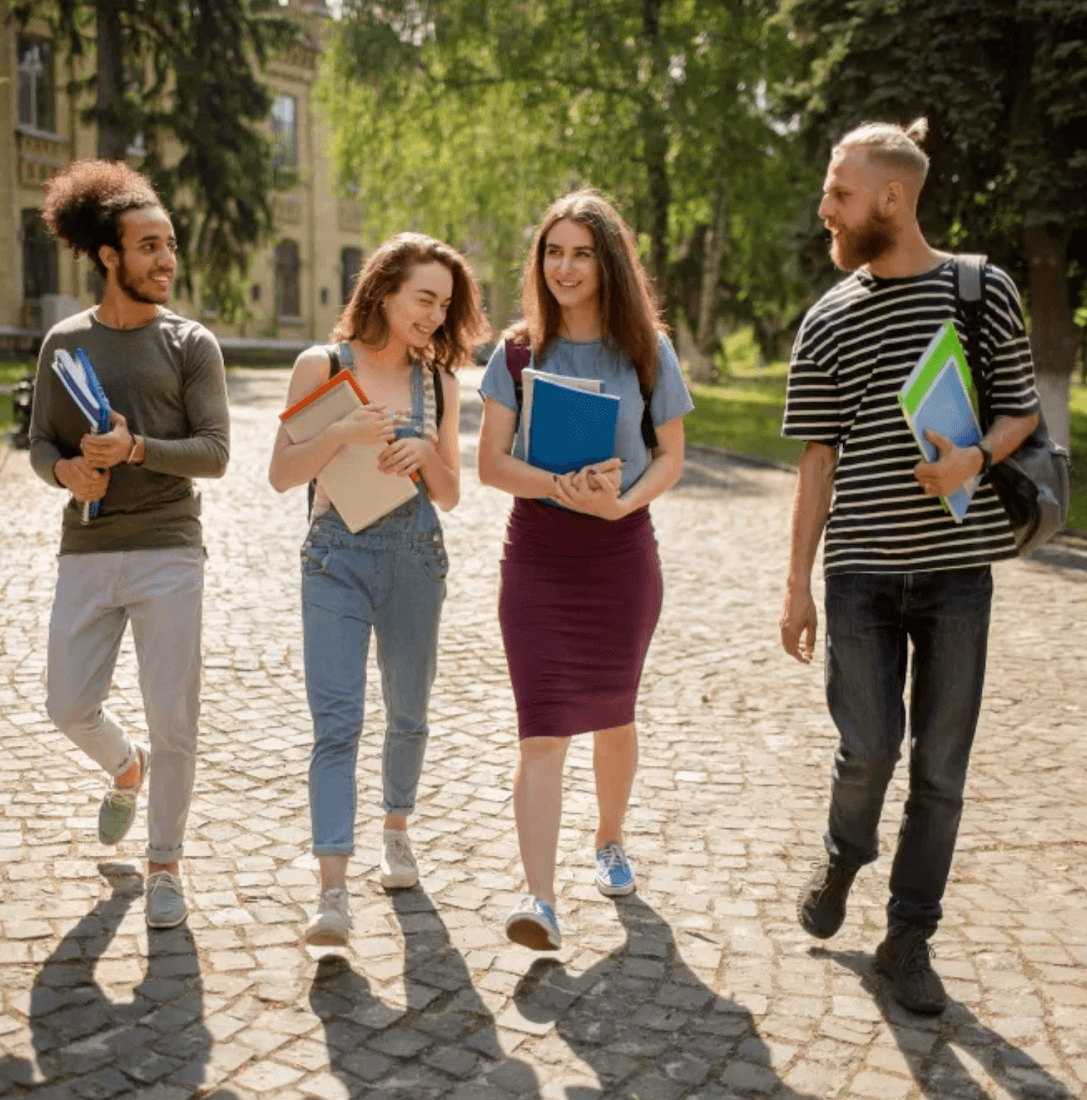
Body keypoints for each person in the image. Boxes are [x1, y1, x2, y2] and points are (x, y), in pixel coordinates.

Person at [779, 119, 1041, 1013]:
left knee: (940, 767)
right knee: (869, 749)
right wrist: (795, 586)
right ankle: (843, 854)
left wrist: (976, 459)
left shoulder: (981, 289)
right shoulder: (827, 317)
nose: (825, 208)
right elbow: (816, 459)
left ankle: (907, 936)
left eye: (838, 192)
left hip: (958, 574)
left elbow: (1020, 413)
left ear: (890, 197)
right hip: (858, 576)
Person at [477, 190, 693, 951]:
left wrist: (620, 504)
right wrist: (558, 487)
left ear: (608, 263)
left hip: (619, 556)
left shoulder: (646, 349)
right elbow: (491, 464)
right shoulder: (515, 351)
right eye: (552, 252)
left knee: (612, 714)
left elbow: (671, 456)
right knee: (540, 733)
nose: (564, 267)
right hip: (536, 557)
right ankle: (539, 900)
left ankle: (608, 840)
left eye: (580, 253)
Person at [269, 233, 488, 947]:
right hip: (333, 558)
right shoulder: (321, 365)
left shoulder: (441, 383)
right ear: (383, 291)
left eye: (444, 304)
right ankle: (331, 893)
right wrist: (343, 431)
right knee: (336, 724)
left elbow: (451, 495)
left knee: (408, 713)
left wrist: (426, 453)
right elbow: (280, 474)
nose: (433, 314)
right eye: (423, 298)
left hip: (414, 557)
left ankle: (396, 827)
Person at [29, 160, 230, 929]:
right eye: (148, 246)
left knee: (173, 715)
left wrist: (138, 450)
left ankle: (165, 864)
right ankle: (125, 765)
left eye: (170, 244)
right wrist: (68, 470)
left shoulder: (190, 344)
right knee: (66, 702)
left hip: (169, 548)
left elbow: (214, 451)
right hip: (86, 549)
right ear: (108, 255)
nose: (166, 259)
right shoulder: (63, 343)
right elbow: (41, 445)